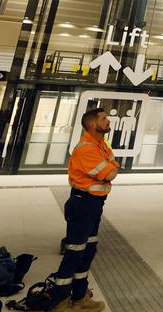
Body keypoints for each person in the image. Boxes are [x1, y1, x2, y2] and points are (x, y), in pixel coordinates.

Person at [50, 108, 119, 311]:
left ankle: (79, 297)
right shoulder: (87, 148)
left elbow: (114, 165)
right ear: (92, 124)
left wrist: (109, 169)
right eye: (104, 119)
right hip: (82, 204)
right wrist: (109, 169)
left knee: (88, 250)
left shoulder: (101, 146)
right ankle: (60, 302)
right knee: (74, 252)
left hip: (95, 204)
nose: (108, 122)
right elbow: (111, 172)